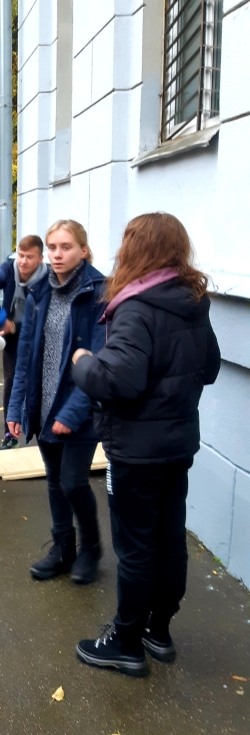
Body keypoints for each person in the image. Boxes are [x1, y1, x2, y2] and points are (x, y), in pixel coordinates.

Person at [72, 213, 221, 677]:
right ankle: (160, 630)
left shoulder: (137, 305)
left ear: (136, 249)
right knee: (169, 539)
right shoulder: (191, 301)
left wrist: (83, 362)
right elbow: (210, 368)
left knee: (136, 547)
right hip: (177, 445)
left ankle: (126, 642)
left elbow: (119, 379)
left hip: (136, 451)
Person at [7, 220, 106, 584]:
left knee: (74, 482)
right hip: (45, 406)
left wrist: (73, 412)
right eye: (52, 247)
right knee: (54, 481)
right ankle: (63, 549)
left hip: (80, 409)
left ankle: (91, 549)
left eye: (66, 247)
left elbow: (101, 359)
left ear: (84, 250)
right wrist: (17, 408)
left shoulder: (99, 293)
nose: (57, 254)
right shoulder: (41, 291)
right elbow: (25, 357)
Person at [0, 235, 48, 449]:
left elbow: (43, 319)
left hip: (39, 335)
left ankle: (45, 429)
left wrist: (14, 326)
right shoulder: (9, 269)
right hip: (12, 337)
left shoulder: (48, 279)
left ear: (40, 258)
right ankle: (10, 434)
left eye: (29, 257)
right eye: (20, 256)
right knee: (12, 382)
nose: (23, 261)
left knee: (42, 381)